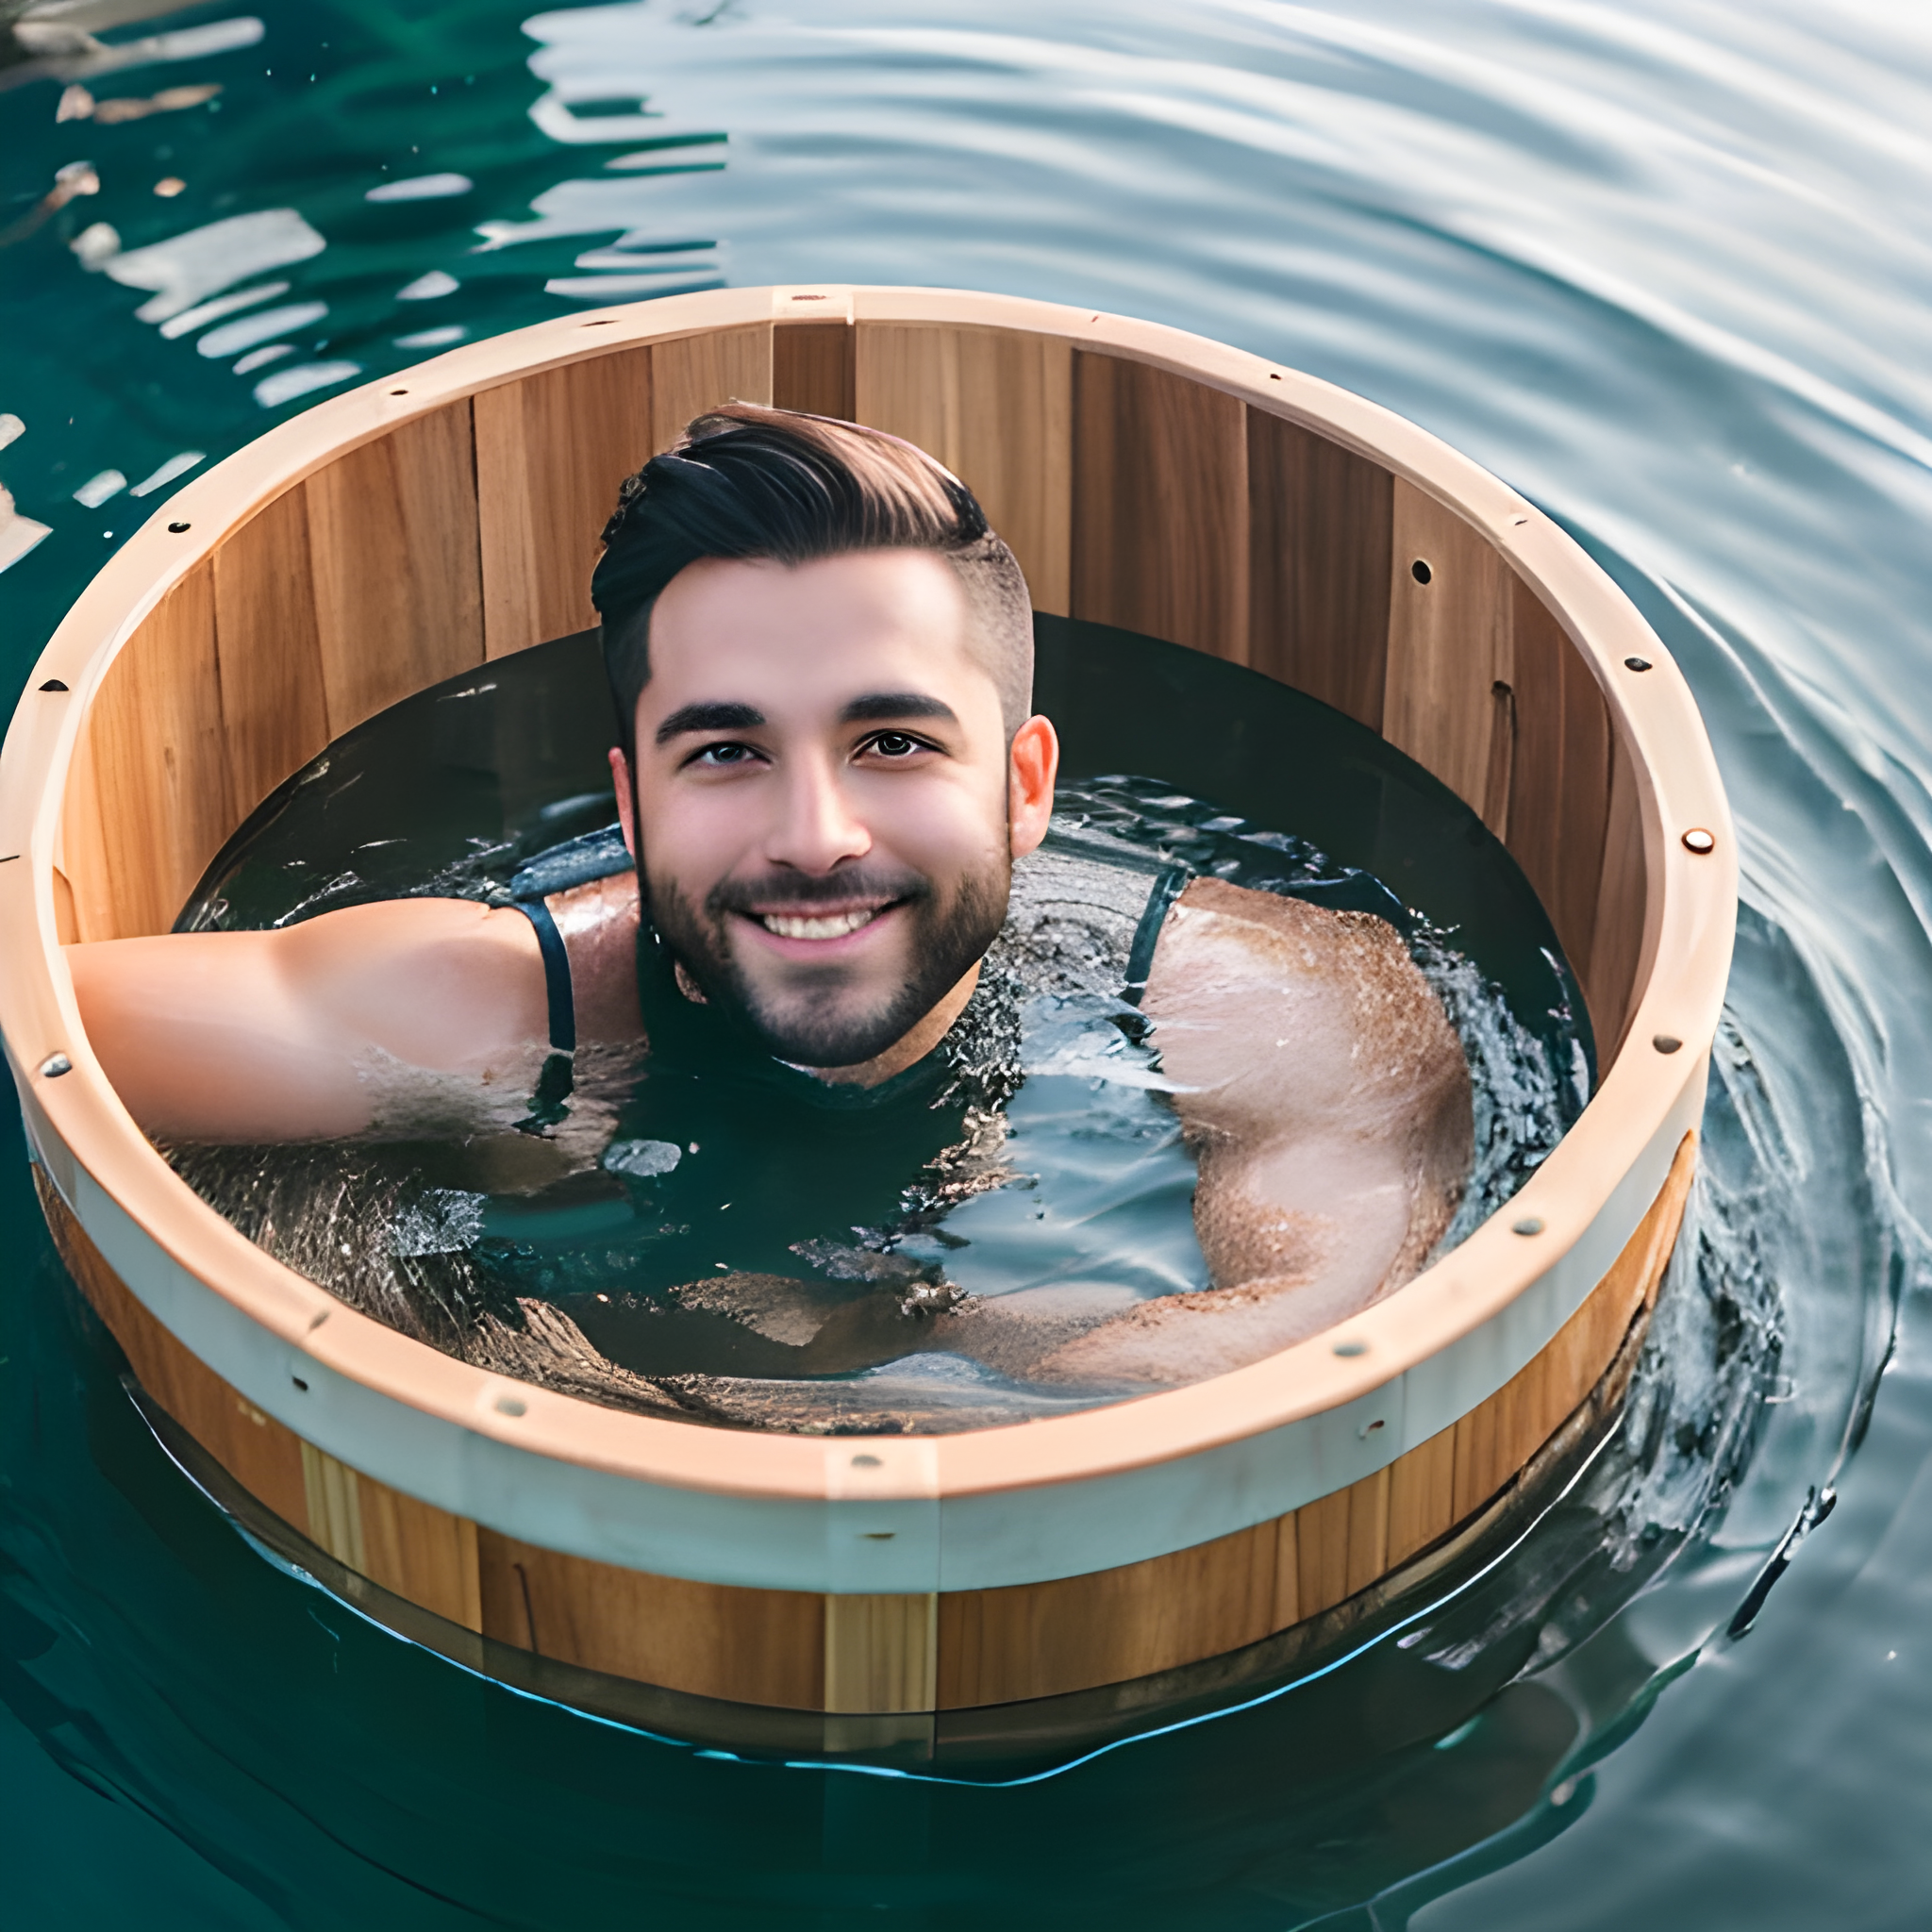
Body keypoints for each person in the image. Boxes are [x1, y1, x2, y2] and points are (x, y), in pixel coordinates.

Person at [69, 406, 1472, 1399]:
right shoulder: (484, 1013)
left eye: (895, 742)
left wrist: (955, 1338)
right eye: (728, 752)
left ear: (1026, 785)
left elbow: (1324, 1342)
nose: (815, 836)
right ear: (629, 806)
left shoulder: (1253, 993)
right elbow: (47, 1019)